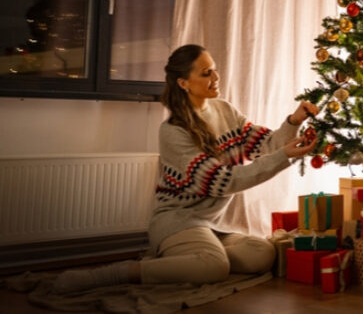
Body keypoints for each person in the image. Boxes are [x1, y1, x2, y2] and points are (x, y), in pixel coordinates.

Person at [54, 44, 318, 292]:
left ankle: (196, 258)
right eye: (206, 73)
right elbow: (222, 182)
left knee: (262, 254)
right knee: (214, 267)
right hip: (177, 221)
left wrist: (295, 121)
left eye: (214, 68)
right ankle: (117, 272)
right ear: (184, 83)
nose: (215, 76)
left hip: (214, 224)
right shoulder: (173, 132)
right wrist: (283, 156)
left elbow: (267, 144)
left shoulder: (225, 110)